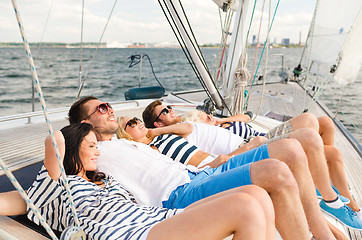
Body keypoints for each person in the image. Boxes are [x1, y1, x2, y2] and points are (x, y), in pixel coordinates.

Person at [69, 96, 348, 239]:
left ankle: (324, 224)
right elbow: (61, 168)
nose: (110, 109)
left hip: (198, 175)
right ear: (84, 125)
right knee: (275, 172)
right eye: (101, 109)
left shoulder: (128, 142)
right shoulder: (90, 152)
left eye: (107, 105)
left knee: (290, 149)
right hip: (178, 194)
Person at [0, 123, 277, 240]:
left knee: (256, 195)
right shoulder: (52, 185)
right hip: (125, 234)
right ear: (73, 150)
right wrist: (71, 139)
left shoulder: (103, 179)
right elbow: (55, 140)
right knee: (245, 207)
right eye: (91, 145)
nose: (98, 151)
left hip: (153, 219)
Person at [143, 100, 362, 225]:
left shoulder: (202, 122)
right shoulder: (180, 132)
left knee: (323, 130)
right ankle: (332, 198)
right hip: (250, 147)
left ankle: (334, 192)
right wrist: (154, 132)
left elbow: (246, 117)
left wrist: (220, 121)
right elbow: (182, 136)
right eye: (164, 111)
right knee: (317, 133)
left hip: (255, 137)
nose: (170, 110)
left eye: (169, 106)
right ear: (157, 122)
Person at [116, 116, 230, 168]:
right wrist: (210, 166)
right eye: (132, 123)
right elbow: (178, 173)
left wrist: (155, 131)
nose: (137, 122)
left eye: (137, 119)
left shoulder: (160, 136)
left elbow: (189, 128)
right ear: (125, 134)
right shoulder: (149, 150)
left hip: (217, 159)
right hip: (209, 168)